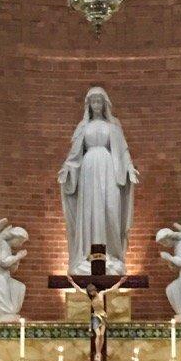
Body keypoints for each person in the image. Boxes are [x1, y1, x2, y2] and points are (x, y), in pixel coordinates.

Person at [58, 86, 139, 275]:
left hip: (109, 168)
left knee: (110, 208)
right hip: (88, 170)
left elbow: (123, 150)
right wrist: (67, 169)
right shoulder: (83, 126)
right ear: (89, 104)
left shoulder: (113, 125)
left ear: (104, 104)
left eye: (99, 101)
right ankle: (88, 255)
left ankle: (111, 254)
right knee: (90, 210)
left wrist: (129, 168)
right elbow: (75, 154)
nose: (96, 105)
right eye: (93, 101)